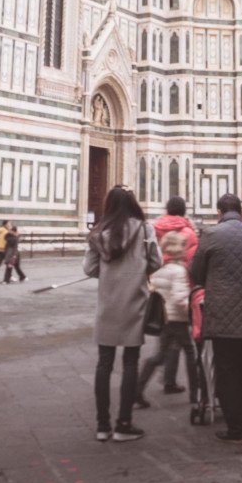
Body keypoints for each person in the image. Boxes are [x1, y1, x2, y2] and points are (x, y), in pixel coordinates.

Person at [188, 193, 242, 445]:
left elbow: (196, 272)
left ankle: (237, 428)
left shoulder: (211, 235)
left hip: (223, 316)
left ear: (219, 212)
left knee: (227, 372)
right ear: (240, 211)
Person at [83, 186, 161, 442]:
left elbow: (89, 268)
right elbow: (156, 262)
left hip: (108, 303)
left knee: (104, 364)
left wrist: (108, 273)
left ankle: (102, 426)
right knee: (130, 362)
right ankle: (123, 425)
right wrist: (138, 270)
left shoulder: (98, 232)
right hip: (135, 302)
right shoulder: (144, 228)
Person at [134, 230, 198, 407]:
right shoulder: (178, 270)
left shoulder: (158, 269)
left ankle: (136, 391)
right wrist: (192, 309)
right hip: (177, 318)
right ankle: (195, 394)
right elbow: (179, 298)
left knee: (160, 356)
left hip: (164, 318)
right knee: (191, 354)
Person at [153, 196, 198, 266]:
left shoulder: (154, 229)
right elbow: (192, 260)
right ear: (184, 211)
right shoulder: (190, 233)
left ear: (167, 210)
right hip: (182, 274)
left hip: (157, 273)